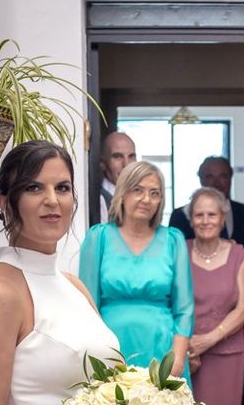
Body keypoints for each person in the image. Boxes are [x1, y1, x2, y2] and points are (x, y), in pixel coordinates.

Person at [0, 140, 120, 404]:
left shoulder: (74, 286)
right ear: (5, 202)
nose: (52, 200)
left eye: (62, 188)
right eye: (34, 188)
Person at [79, 161, 194, 382]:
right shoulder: (99, 237)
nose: (146, 199)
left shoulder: (173, 240)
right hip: (111, 350)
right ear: (123, 193)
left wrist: (177, 359)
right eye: (138, 190)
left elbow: (184, 308)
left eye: (155, 193)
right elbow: (87, 306)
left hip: (163, 353)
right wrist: (97, 354)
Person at [186, 187, 244, 405]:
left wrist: (209, 339)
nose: (206, 221)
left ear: (223, 218)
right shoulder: (180, 252)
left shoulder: (238, 254)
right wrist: (188, 347)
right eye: (199, 215)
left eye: (212, 214)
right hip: (189, 355)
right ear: (191, 219)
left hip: (228, 355)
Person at [169, 156, 244, 247]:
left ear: (230, 178)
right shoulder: (180, 216)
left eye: (223, 176)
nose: (217, 183)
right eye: (210, 177)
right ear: (201, 179)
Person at [99, 131, 137, 223]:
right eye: (117, 157)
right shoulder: (100, 200)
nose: (126, 164)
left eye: (131, 156)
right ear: (102, 163)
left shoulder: (139, 196)